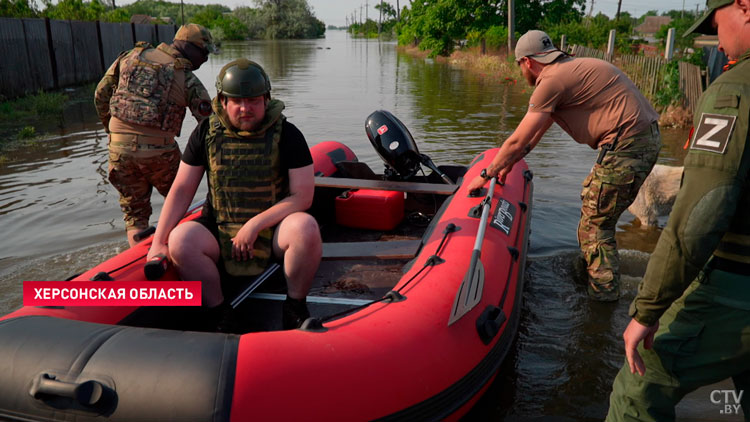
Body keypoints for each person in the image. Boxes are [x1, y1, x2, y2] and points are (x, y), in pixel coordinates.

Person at [606, 0, 750, 419]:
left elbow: (702, 212)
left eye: (717, 25)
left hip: (735, 287)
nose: (718, 41)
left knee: (638, 387)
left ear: (744, 7)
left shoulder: (734, 89)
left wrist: (648, 308)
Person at [467, 30, 662, 301]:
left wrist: (485, 174)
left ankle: (604, 298)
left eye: (519, 65)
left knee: (595, 225)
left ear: (527, 62)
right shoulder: (571, 69)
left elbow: (516, 141)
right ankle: (601, 274)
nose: (522, 72)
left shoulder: (551, 81)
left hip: (627, 146)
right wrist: (507, 165)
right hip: (642, 141)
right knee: (596, 216)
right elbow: (532, 137)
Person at [147, 59, 321, 330]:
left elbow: (302, 197)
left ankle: (295, 306)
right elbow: (181, 189)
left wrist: (254, 225)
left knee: (306, 227)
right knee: (180, 239)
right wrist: (159, 241)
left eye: (253, 100)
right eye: (237, 101)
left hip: (274, 231)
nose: (245, 108)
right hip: (219, 229)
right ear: (223, 101)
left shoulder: (288, 134)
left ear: (266, 99)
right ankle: (220, 313)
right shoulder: (205, 132)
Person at [95, 23, 217, 247]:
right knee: (180, 201)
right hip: (160, 154)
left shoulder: (130, 56)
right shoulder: (186, 78)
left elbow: (101, 94)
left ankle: (140, 257)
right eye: (205, 52)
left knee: (134, 214)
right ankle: (177, 250)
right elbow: (210, 126)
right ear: (190, 48)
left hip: (119, 151)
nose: (206, 59)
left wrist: (112, 131)